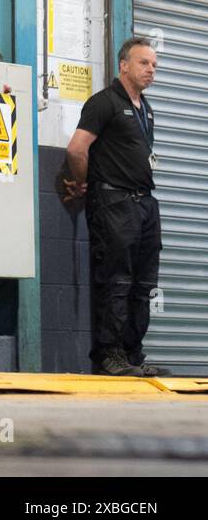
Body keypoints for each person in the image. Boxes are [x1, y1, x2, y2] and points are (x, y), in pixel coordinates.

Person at [63, 37, 167, 377]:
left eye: (153, 64)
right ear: (123, 65)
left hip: (145, 204)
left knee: (144, 282)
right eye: (143, 63)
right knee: (117, 280)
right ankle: (109, 354)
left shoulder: (146, 109)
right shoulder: (103, 102)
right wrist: (84, 183)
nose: (151, 69)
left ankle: (132, 353)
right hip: (114, 201)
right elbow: (77, 149)